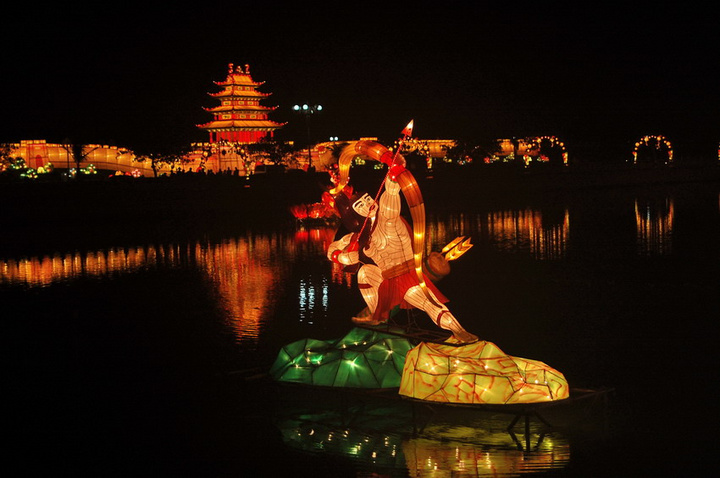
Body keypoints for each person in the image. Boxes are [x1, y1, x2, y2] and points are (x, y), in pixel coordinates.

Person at [327, 164, 478, 344]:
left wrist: (394, 176)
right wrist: (342, 256)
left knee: (429, 303)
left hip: (406, 274)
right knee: (365, 272)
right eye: (361, 205)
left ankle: (460, 332)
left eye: (368, 199)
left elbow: (390, 196)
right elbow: (332, 249)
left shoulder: (386, 218)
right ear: (356, 213)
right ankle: (376, 315)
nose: (368, 204)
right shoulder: (358, 237)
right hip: (386, 278)